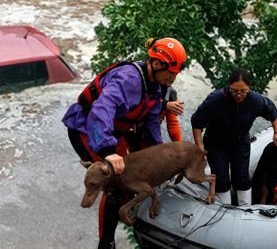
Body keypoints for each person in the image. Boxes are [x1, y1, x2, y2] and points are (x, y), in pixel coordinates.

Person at [63, 37, 187, 249]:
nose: (173, 78)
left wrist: (161, 153)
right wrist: (108, 151)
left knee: (141, 169)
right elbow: (101, 110)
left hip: (115, 130)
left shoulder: (155, 85)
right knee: (117, 182)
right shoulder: (129, 78)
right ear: (157, 64)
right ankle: (107, 242)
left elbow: (151, 123)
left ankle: (132, 209)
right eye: (171, 73)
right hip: (88, 129)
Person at [191, 68, 277, 206]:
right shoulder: (215, 100)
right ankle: (224, 208)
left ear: (249, 88)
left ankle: (245, 208)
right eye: (234, 90)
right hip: (216, 144)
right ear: (229, 86)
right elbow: (196, 122)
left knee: (242, 177)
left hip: (240, 142)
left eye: (243, 91)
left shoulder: (255, 100)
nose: (239, 95)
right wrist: (199, 147)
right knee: (221, 178)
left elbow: (271, 110)